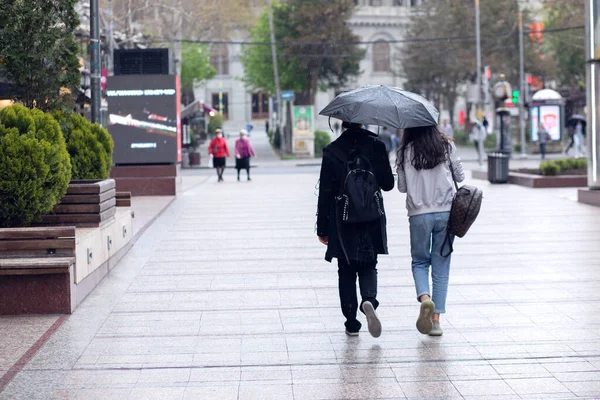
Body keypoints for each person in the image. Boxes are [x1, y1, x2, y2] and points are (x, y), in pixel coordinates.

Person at [316, 121, 394, 338]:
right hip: (371, 216)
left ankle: (351, 322)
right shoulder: (376, 145)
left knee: (346, 269)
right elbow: (388, 184)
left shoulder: (332, 151)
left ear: (342, 123)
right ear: (362, 121)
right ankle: (368, 299)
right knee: (369, 264)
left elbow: (325, 192)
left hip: (342, 220)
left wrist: (322, 228)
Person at [396, 125, 465, 337]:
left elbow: (402, 187)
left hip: (418, 214)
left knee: (419, 261)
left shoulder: (404, 150)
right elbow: (460, 176)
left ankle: (426, 300)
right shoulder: (446, 146)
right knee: (441, 266)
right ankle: (435, 321)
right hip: (445, 212)